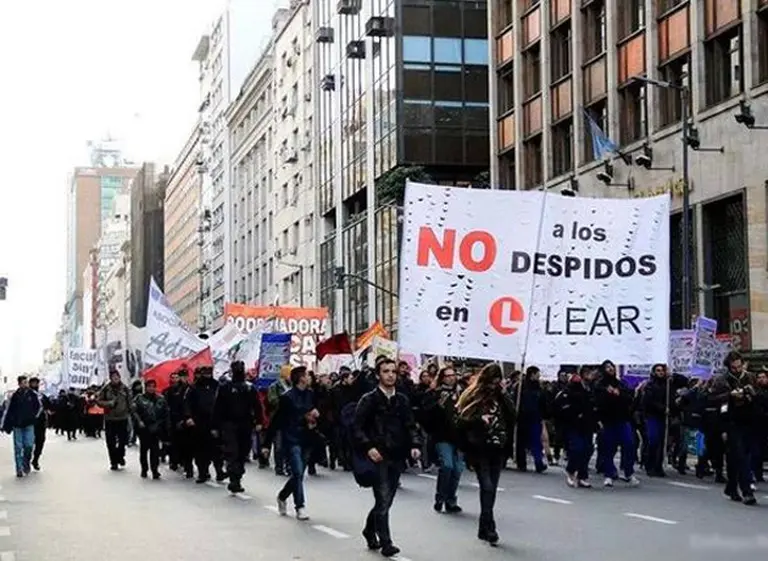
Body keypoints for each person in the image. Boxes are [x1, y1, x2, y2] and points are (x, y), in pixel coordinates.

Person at [353, 358, 421, 558]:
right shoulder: (369, 400)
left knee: (387, 500)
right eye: (385, 371)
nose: (390, 375)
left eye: (393, 371)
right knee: (382, 498)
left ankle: (369, 529)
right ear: (378, 375)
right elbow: (357, 427)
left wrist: (415, 444)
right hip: (378, 455)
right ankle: (386, 543)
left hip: (397, 454)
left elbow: (410, 424)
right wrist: (369, 447)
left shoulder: (402, 400)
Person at [455, 363, 515, 546]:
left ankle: (484, 525)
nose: (494, 386)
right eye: (492, 382)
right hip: (479, 447)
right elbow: (461, 421)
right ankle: (490, 526)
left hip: (498, 447)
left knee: (491, 488)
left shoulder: (501, 397)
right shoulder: (473, 395)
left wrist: (504, 394)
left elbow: (513, 416)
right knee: (487, 486)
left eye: (497, 382)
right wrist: (479, 420)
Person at [263, 366, 317, 520]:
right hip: (292, 438)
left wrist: (314, 416)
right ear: (300, 378)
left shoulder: (311, 394)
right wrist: (266, 444)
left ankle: (282, 495)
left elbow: (315, 410)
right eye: (307, 375)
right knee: (298, 472)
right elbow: (276, 420)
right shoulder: (287, 397)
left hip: (307, 438)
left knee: (298, 475)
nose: (309, 377)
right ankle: (300, 506)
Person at [708, 351, 758, 505]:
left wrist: (751, 393)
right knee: (740, 455)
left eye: (739, 366)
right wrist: (730, 395)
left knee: (737, 457)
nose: (737, 370)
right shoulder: (721, 380)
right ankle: (747, 491)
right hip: (730, 421)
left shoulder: (750, 377)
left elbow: (758, 395)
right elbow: (712, 399)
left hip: (749, 420)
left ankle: (731, 487)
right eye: (734, 367)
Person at [214, 361, 263, 494]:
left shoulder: (249, 387)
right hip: (229, 424)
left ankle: (237, 475)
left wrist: (259, 421)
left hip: (245, 424)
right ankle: (233, 478)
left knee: (243, 451)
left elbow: (257, 406)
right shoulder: (225, 387)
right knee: (232, 451)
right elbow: (218, 408)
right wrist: (215, 426)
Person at [423, 365, 464, 513]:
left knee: (458, 469)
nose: (452, 378)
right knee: (447, 466)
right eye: (448, 376)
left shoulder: (461, 393)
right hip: (442, 436)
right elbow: (426, 412)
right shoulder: (436, 393)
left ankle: (451, 500)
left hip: (459, 437)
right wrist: (437, 405)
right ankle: (440, 498)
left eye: (453, 375)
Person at [184, 366, 226, 483]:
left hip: (215, 421)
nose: (207, 375)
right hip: (199, 422)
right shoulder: (193, 387)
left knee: (217, 448)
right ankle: (202, 472)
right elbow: (187, 403)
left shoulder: (217, 386)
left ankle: (219, 471)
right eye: (205, 373)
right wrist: (188, 417)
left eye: (209, 373)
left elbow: (224, 402)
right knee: (201, 448)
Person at [1, 375, 42, 477]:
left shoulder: (32, 394)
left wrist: (33, 417)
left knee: (29, 445)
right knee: (18, 447)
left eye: (26, 382)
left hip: (29, 424)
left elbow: (39, 407)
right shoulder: (14, 396)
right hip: (17, 425)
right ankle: (19, 469)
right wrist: (5, 424)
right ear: (19, 384)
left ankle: (26, 462)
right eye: (23, 383)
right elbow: (8, 410)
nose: (26, 384)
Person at [132, 379, 170, 479]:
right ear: (145, 387)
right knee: (144, 450)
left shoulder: (161, 399)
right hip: (144, 428)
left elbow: (165, 414)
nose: (151, 388)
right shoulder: (139, 398)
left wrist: (164, 427)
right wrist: (139, 421)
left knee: (155, 450)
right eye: (149, 386)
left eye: (153, 386)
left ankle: (155, 470)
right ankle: (144, 469)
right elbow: (134, 411)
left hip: (156, 428)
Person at [96, 371, 134, 470]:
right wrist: (109, 403)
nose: (115, 378)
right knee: (111, 442)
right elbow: (99, 401)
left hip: (123, 418)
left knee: (123, 440)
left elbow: (130, 402)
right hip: (110, 418)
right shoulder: (106, 389)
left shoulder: (125, 389)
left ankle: (120, 456)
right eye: (113, 377)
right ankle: (113, 462)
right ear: (111, 378)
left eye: (117, 376)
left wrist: (132, 411)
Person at [164, 367, 194, 477]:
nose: (183, 379)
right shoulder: (173, 390)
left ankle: (188, 466)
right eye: (181, 377)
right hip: (176, 420)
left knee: (188, 445)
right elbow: (172, 406)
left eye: (185, 376)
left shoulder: (191, 388)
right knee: (176, 443)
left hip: (188, 420)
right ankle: (175, 461)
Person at [28, 377, 52, 471]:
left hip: (41, 423)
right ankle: (27, 460)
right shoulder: (27, 395)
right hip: (30, 423)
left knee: (40, 442)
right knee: (29, 444)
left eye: (36, 383)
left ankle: (35, 460)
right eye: (33, 383)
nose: (35, 385)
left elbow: (49, 406)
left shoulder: (42, 396)